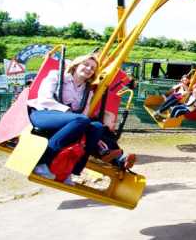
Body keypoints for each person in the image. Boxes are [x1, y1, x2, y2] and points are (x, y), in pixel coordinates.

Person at [26, 54, 133, 182]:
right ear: (76, 65)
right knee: (80, 120)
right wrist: (69, 112)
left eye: (92, 68)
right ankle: (42, 162)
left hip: (71, 121)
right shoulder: (57, 76)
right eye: (86, 64)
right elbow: (44, 100)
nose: (89, 69)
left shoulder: (88, 91)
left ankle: (71, 170)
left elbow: (84, 115)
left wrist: (96, 137)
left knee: (97, 127)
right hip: (43, 114)